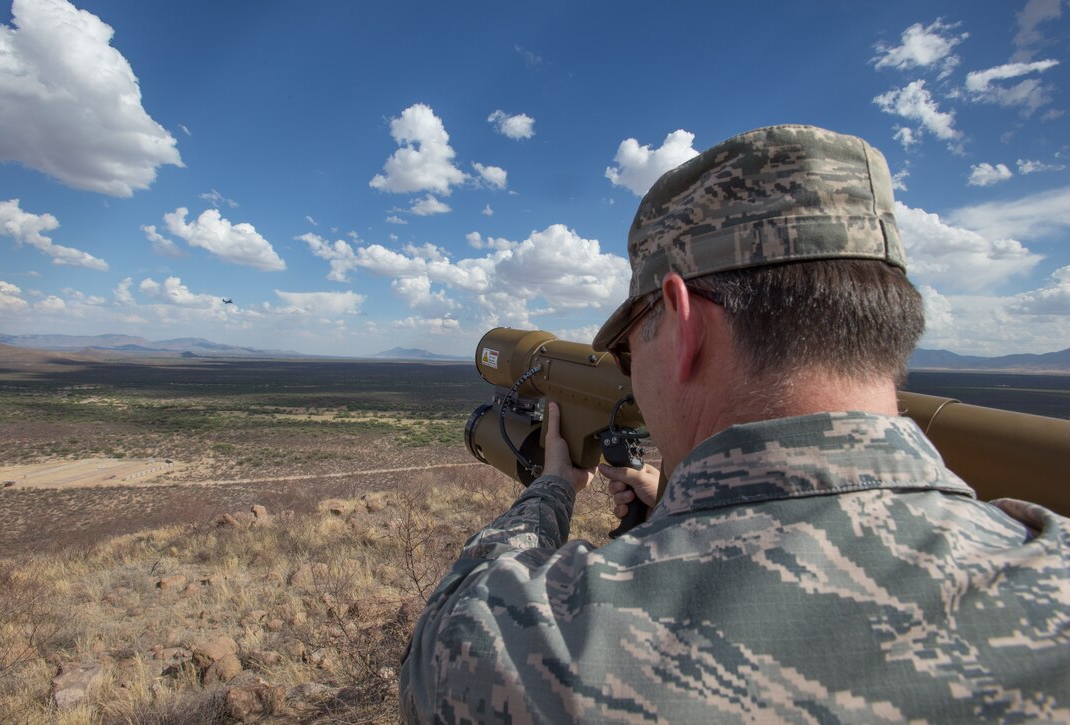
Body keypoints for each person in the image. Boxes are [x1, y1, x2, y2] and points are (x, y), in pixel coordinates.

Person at [399, 125, 1070, 723]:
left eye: (632, 348)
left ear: (684, 323)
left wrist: (550, 491)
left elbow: (438, 650)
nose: (632, 375)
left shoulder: (553, 655)